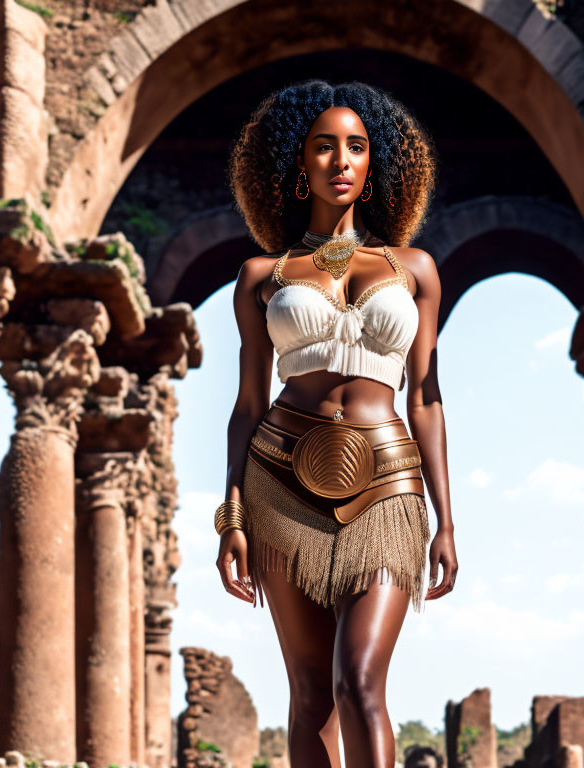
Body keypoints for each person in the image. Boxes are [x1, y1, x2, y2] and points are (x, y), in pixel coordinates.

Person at [215, 79, 458, 768]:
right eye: (325, 147)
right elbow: (247, 404)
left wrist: (447, 520)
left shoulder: (414, 269)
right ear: (300, 164)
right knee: (310, 693)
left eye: (356, 147)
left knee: (359, 683)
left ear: (374, 165)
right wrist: (231, 514)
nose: (341, 160)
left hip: (388, 486)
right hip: (279, 482)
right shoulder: (262, 273)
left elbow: (427, 399)